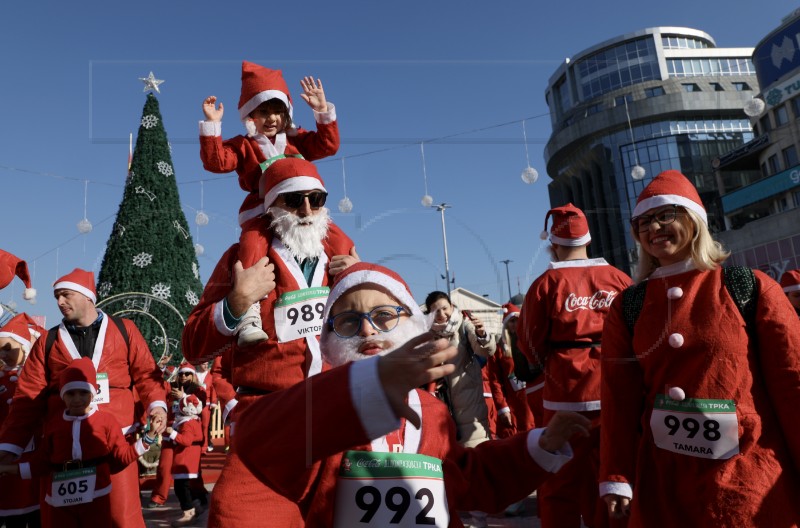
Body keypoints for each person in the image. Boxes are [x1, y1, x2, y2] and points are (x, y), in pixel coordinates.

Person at [234, 262, 592, 527]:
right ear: (328, 341)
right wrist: (363, 387)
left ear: (411, 322)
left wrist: (541, 444)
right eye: (348, 322)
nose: (368, 330)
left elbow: (471, 478)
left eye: (384, 315)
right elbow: (257, 441)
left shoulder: (433, 412)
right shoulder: (322, 411)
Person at [600, 170, 800, 526]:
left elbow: (793, 381)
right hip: (664, 485)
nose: (654, 228)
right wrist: (616, 476)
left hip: (748, 480)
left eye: (665, 215)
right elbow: (619, 398)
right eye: (643, 222)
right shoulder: (627, 306)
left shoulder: (749, 286)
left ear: (694, 219)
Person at [182, 156, 359, 527]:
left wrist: (362, 282)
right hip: (269, 417)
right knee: (237, 514)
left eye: (317, 198)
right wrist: (236, 302)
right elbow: (193, 345)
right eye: (293, 200)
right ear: (271, 207)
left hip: (337, 413)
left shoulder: (342, 260)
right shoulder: (240, 260)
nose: (307, 210)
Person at [0, 268, 168, 528]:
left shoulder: (125, 330)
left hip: (115, 443)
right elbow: (28, 398)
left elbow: (147, 374)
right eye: (57, 297)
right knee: (61, 520)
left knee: (121, 519)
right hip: (62, 449)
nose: (59, 302)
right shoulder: (48, 341)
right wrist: (10, 447)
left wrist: (157, 406)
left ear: (87, 296)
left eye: (65, 295)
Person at [200, 61, 347, 347]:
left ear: (287, 114)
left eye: (277, 111)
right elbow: (217, 162)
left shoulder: (296, 139)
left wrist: (321, 111)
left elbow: (327, 146)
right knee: (252, 245)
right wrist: (212, 125)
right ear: (249, 115)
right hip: (262, 211)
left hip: (300, 210)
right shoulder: (244, 145)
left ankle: (351, 285)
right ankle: (249, 313)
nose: (271, 119)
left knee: (337, 238)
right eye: (263, 112)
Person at [518, 203, 631, 528]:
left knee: (559, 481)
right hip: (615, 391)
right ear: (588, 240)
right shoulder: (618, 277)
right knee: (614, 479)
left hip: (563, 394)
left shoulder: (544, 283)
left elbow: (528, 344)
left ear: (552, 243)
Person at [0, 358, 163, 528]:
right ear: (63, 395)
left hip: (97, 496)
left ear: (93, 394)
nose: (77, 399)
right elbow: (42, 462)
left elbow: (121, 456)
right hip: (60, 500)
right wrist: (10, 469)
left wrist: (148, 438)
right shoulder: (53, 424)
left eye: (83, 393)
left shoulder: (106, 421)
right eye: (71, 393)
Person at [425, 291, 496, 527]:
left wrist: (482, 333)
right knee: (445, 463)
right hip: (441, 410)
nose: (442, 314)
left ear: (452, 306)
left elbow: (486, 350)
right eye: (436, 310)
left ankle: (479, 518)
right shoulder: (426, 336)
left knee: (474, 461)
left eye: (445, 308)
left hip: (470, 407)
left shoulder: (465, 327)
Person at [0, 313, 45, 528]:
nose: (3, 354)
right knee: (12, 512)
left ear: (24, 345)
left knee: (38, 510)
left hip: (35, 453)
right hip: (6, 454)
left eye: (8, 347)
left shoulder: (39, 376)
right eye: (0, 349)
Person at [148, 362, 208, 509]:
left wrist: (184, 397)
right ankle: (159, 496)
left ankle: (199, 493)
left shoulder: (199, 389)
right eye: (181, 374)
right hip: (170, 434)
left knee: (191, 470)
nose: (183, 376)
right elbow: (157, 384)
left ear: (193, 375)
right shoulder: (171, 387)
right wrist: (160, 368)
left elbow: (200, 406)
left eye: (187, 374)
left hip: (188, 436)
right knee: (164, 466)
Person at [164, 394, 205, 527]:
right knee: (186, 486)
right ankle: (197, 506)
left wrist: (173, 433)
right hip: (190, 458)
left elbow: (186, 441)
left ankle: (188, 512)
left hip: (185, 458)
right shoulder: (195, 421)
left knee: (181, 487)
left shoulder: (187, 424)